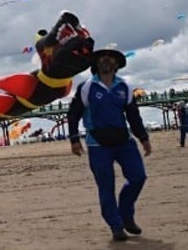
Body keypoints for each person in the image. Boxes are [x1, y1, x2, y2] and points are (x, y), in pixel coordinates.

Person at [67, 48, 152, 242]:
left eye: (110, 57)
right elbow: (73, 114)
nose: (106, 59)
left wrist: (143, 138)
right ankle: (116, 226)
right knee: (106, 187)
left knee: (138, 177)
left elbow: (133, 116)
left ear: (116, 64)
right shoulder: (87, 87)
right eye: (102, 57)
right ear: (96, 64)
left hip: (124, 141)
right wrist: (74, 139)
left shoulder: (124, 87)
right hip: (98, 145)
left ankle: (126, 215)